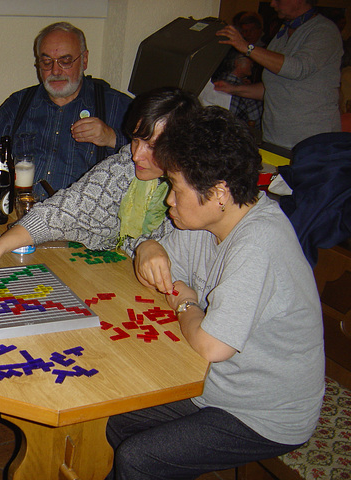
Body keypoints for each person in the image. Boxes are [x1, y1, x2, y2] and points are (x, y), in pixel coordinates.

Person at [106, 106, 324, 479]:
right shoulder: (206, 223)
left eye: (175, 188)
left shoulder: (259, 241)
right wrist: (148, 248)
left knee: (139, 457)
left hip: (263, 413)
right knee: (116, 421)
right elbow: (161, 269)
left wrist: (184, 300)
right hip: (212, 385)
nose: (168, 200)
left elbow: (213, 346)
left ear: (218, 191)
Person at [0, 88, 200, 293]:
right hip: (121, 287)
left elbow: (188, 274)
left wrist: (147, 246)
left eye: (152, 146)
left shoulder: (201, 194)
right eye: (135, 140)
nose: (137, 154)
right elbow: (62, 210)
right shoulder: (125, 166)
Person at [0, 22, 132, 200]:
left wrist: (112, 138)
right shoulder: (18, 104)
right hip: (20, 213)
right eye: (47, 62)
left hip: (80, 220)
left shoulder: (117, 105)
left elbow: (154, 157)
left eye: (65, 61)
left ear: (84, 60)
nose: (55, 70)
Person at [215, 0, 343, 150]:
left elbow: (298, 68)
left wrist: (247, 48)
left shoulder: (324, 30)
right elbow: (274, 88)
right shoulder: (283, 33)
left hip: (311, 140)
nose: (272, 4)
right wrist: (234, 89)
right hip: (275, 137)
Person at [211, 49, 263, 129]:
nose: (253, 62)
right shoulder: (246, 94)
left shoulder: (211, 83)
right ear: (236, 62)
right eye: (249, 57)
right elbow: (257, 123)